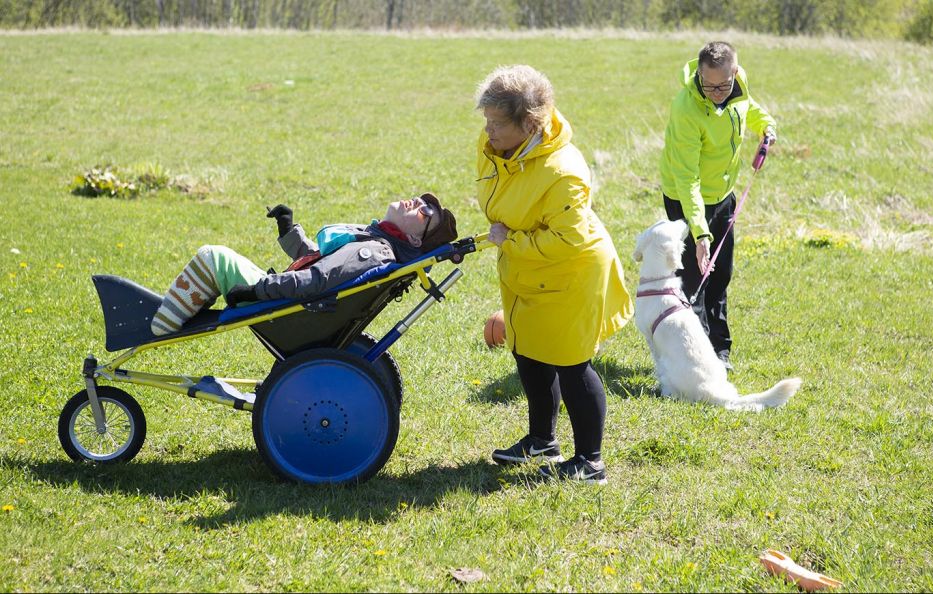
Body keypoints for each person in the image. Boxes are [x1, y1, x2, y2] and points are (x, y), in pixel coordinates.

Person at [475, 64, 633, 485]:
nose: (488, 132)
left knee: (571, 363)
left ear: (529, 124)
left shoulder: (564, 173)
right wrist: (509, 240)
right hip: (528, 269)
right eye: (486, 121)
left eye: (497, 123)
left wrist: (510, 240)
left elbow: (568, 242)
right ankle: (542, 440)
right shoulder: (497, 147)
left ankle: (590, 461)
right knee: (527, 351)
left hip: (571, 272)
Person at [150, 194, 458, 336]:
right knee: (217, 260)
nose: (416, 202)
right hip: (300, 309)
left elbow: (316, 279)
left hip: (291, 313)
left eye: (425, 212)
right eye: (420, 199)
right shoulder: (380, 243)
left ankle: (157, 327)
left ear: (416, 241)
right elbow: (323, 264)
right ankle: (177, 309)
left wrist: (255, 291)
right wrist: (289, 229)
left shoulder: (374, 250)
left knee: (212, 256)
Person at [659, 41, 777, 372]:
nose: (718, 92)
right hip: (687, 198)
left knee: (721, 272)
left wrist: (766, 126)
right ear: (699, 75)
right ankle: (698, 360)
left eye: (724, 84)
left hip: (723, 194)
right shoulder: (686, 109)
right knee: (696, 277)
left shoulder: (735, 86)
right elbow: (687, 180)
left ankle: (719, 350)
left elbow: (747, 107)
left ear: (735, 73)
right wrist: (700, 234)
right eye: (710, 86)